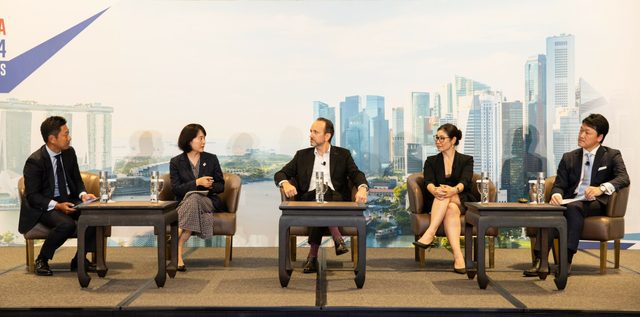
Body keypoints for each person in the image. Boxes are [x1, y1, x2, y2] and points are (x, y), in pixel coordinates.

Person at [524, 113, 630, 276]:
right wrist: (557, 195)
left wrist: (600, 188)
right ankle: (540, 261)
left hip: (594, 203)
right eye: (581, 130)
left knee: (574, 207)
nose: (581, 135)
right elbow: (559, 184)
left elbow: (623, 178)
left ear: (600, 137)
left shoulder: (611, 155)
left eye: (587, 132)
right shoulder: (569, 157)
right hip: (570, 200)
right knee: (553, 211)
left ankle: (566, 260)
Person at [274, 117, 369, 273]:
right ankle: (337, 237)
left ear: (327, 136)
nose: (310, 135)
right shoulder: (301, 155)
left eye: (315, 132)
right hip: (309, 200)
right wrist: (285, 183)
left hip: (336, 200)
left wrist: (363, 188)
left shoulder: (343, 155)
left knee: (323, 193)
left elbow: (356, 174)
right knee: (319, 196)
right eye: (310, 131)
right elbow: (280, 173)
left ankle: (312, 257)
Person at [18, 116, 98, 276]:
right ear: (52, 139)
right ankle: (42, 259)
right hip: (44, 206)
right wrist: (57, 205)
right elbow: (33, 196)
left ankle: (79, 259)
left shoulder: (69, 152)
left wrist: (83, 195)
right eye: (66, 134)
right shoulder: (35, 161)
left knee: (96, 215)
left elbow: (77, 179)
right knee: (66, 224)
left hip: (69, 199)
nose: (69, 138)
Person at [413, 123, 475, 274]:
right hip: (437, 199)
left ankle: (430, 233)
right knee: (450, 207)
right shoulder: (431, 161)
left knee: (448, 196)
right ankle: (459, 257)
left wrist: (453, 190)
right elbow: (428, 182)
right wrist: (434, 190)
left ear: (453, 140)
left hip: (461, 196)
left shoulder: (466, 160)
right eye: (436, 138)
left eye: (442, 138)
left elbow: (465, 181)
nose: (438, 141)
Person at [169, 124, 226, 272]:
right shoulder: (176, 162)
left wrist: (210, 185)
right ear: (189, 140)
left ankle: (176, 238)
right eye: (200, 138)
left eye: (204, 138)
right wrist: (196, 182)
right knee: (193, 202)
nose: (203, 142)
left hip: (208, 201)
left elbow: (221, 186)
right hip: (186, 203)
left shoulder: (211, 159)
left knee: (194, 199)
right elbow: (176, 189)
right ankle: (178, 250)